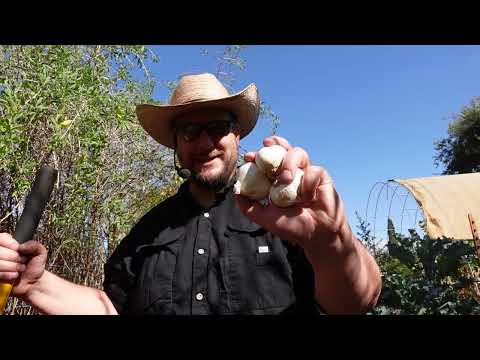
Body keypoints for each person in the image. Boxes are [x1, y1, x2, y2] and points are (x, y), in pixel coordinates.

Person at [0, 73, 382, 315]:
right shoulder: (146, 233)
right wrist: (35, 283)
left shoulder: (289, 218)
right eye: (189, 131)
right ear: (177, 145)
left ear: (238, 136)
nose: (204, 142)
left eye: (217, 127)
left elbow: (358, 301)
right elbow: (107, 309)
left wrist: (333, 242)